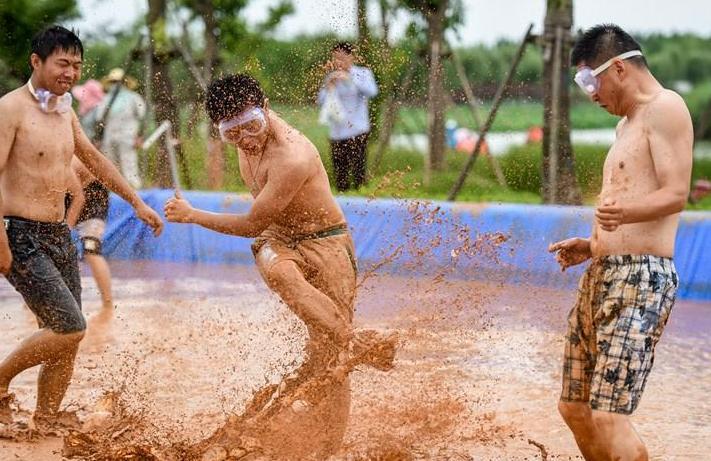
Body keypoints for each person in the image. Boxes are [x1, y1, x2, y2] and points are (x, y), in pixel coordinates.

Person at [164, 73, 395, 458]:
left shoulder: (292, 155)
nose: (246, 140)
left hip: (327, 243)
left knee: (328, 358)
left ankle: (327, 449)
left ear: (265, 108)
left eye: (252, 126)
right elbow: (262, 228)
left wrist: (192, 215)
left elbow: (251, 223)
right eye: (232, 134)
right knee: (278, 270)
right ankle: (354, 341)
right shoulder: (244, 137)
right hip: (281, 240)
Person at [0, 25, 163, 431]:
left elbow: (95, 160)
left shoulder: (65, 109)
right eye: (62, 63)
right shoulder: (10, 109)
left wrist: (137, 201)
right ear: (36, 62)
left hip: (58, 234)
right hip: (19, 233)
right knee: (70, 327)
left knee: (65, 340)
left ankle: (46, 418)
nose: (70, 72)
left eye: (76, 65)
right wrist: (1, 241)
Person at [549, 24, 692, 461]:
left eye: (591, 80)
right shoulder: (624, 128)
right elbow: (630, 196)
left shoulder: (666, 108)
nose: (590, 93)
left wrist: (623, 216)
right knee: (574, 407)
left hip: (642, 279)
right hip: (603, 274)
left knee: (610, 415)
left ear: (620, 68)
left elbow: (675, 194)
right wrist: (592, 246)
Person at [71, 80, 114, 309]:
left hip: (92, 196)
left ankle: (108, 304)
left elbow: (78, 194)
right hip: (78, 191)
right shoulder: (80, 120)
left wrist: (65, 226)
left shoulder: (89, 122)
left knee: (90, 248)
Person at [318, 42, 378, 192]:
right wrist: (329, 86)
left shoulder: (363, 73)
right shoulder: (331, 77)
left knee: (359, 172)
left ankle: (362, 202)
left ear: (351, 57)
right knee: (340, 174)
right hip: (337, 132)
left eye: (342, 57)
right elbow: (321, 101)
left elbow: (372, 92)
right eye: (335, 58)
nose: (338, 61)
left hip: (358, 130)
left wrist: (349, 78)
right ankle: (342, 205)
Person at [95, 67, 146, 189]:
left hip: (128, 137)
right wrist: (98, 139)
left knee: (129, 167)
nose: (116, 85)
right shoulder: (106, 99)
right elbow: (99, 119)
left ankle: (135, 193)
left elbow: (143, 117)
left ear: (124, 83)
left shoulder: (134, 98)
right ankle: (113, 193)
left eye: (118, 82)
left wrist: (140, 136)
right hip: (109, 138)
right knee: (111, 167)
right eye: (113, 82)